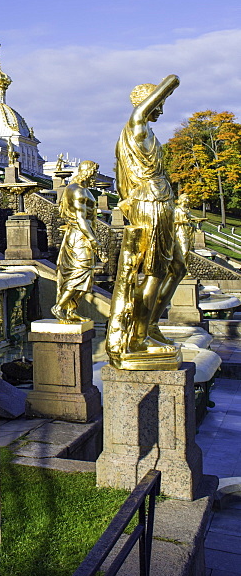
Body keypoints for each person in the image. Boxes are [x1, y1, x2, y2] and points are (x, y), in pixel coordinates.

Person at [107, 74, 181, 361]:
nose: (161, 110)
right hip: (150, 202)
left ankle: (150, 324)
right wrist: (170, 84)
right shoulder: (135, 127)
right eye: (159, 104)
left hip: (159, 200)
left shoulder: (148, 133)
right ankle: (139, 336)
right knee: (154, 271)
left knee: (177, 267)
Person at [52, 160, 105, 322]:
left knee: (87, 276)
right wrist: (94, 241)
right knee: (79, 273)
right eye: (94, 172)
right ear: (88, 172)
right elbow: (81, 219)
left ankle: (71, 310)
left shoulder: (82, 189)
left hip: (82, 235)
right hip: (79, 237)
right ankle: (59, 307)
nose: (95, 176)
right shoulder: (77, 191)